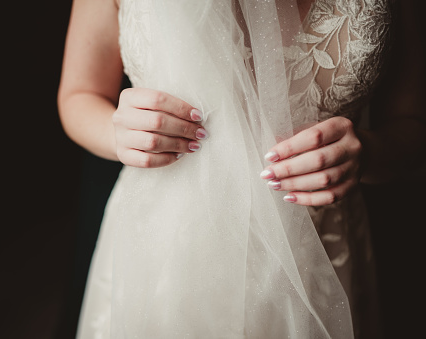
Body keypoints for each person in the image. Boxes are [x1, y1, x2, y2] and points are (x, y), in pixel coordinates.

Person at [57, 0, 425, 338]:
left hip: (323, 248)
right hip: (168, 251)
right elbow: (79, 94)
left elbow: (411, 125)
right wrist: (116, 131)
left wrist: (370, 153)